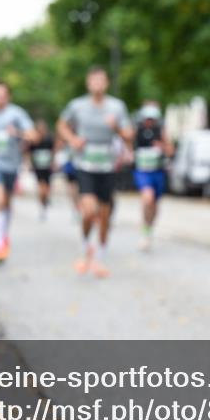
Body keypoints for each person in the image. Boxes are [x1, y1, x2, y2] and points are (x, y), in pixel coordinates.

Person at [57, 66, 133, 278]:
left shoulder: (117, 107)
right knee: (89, 210)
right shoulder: (77, 105)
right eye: (94, 80)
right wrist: (72, 140)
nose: (97, 84)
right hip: (85, 165)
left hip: (108, 167)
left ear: (106, 83)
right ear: (88, 83)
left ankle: (100, 258)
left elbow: (129, 134)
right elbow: (61, 125)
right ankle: (84, 249)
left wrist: (116, 127)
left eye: (101, 80)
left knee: (105, 214)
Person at [0, 81, 38, 263]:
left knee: (5, 202)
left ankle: (2, 233)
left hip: (11, 165)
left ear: (8, 97)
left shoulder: (16, 114)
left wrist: (17, 133)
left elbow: (33, 135)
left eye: (2, 95)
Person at [132, 102, 173, 251]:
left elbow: (170, 151)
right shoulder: (136, 131)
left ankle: (149, 229)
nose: (149, 122)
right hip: (142, 171)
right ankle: (144, 230)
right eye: (147, 119)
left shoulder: (161, 132)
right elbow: (128, 146)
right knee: (147, 198)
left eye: (152, 119)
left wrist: (162, 146)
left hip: (158, 172)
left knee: (154, 204)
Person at [28, 119, 55, 221]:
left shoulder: (49, 138)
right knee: (41, 186)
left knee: (47, 187)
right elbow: (29, 152)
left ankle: (45, 200)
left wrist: (53, 162)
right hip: (38, 166)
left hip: (47, 166)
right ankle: (42, 205)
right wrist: (30, 163)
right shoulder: (33, 140)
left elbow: (53, 150)